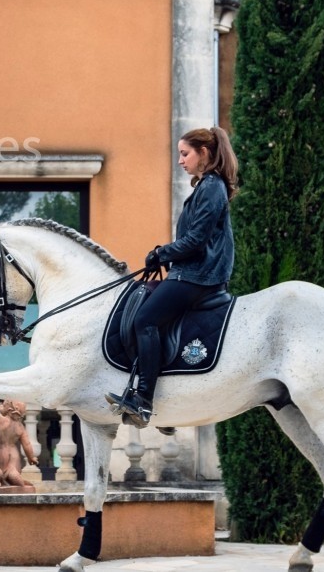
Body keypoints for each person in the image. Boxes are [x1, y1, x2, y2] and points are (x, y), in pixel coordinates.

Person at [107, 126, 238, 428]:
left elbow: (196, 240)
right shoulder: (205, 186)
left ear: (204, 153)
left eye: (185, 154)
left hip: (197, 276)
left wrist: (161, 253)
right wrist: (164, 255)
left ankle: (143, 400)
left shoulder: (211, 187)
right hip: (192, 272)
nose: (180, 161)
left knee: (145, 320)